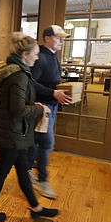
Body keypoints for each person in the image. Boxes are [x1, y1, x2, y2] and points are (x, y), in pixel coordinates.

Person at [0, 32, 59, 222]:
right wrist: (39, 109)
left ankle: (35, 207)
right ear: (25, 54)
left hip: (14, 132)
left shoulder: (15, 71)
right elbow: (18, 109)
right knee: (2, 174)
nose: (38, 57)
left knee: (23, 170)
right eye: (36, 53)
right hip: (13, 133)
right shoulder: (19, 76)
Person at [29, 25, 72, 199]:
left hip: (51, 105)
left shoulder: (53, 56)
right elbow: (30, 82)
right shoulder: (40, 57)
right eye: (58, 38)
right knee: (46, 142)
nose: (61, 41)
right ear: (47, 38)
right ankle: (42, 180)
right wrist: (53, 92)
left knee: (38, 141)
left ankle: (27, 170)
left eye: (62, 38)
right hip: (42, 106)